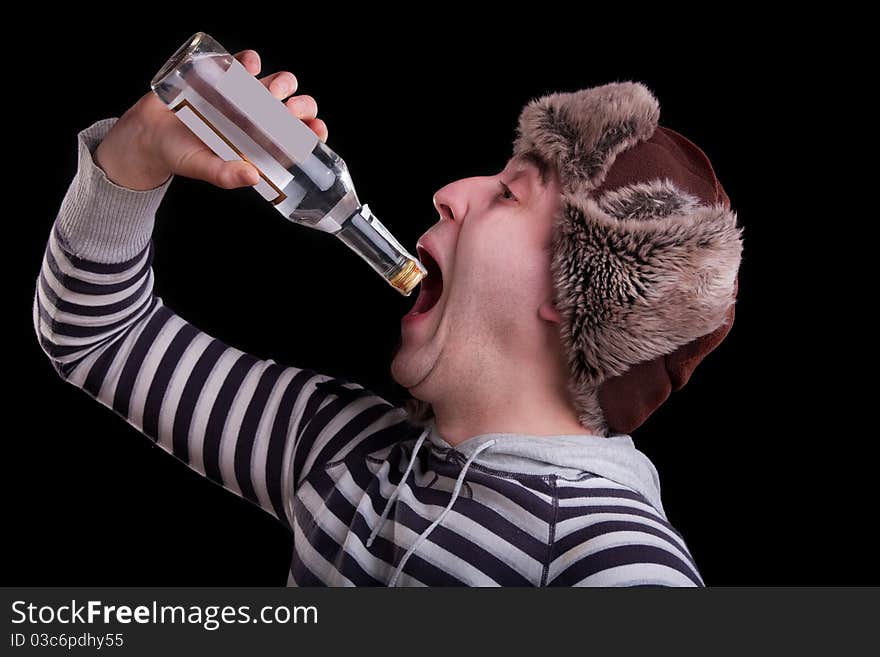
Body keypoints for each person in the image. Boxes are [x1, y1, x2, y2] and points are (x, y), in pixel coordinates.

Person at [34, 48, 742, 586]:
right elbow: (98, 334)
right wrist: (134, 159)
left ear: (574, 288)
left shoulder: (616, 563)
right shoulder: (345, 452)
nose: (449, 193)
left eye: (507, 195)